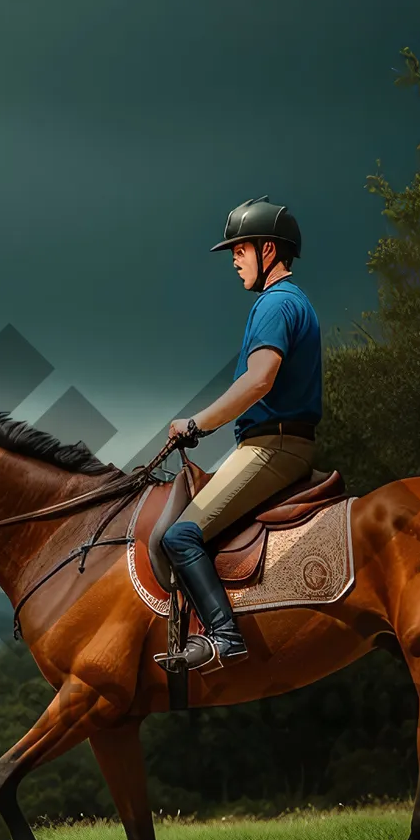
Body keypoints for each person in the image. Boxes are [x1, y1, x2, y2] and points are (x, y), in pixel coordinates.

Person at [157, 196, 323, 673]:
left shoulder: (274, 305)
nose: (233, 260)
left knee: (181, 535)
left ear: (268, 250)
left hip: (271, 448)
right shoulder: (298, 303)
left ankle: (225, 636)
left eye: (240, 249)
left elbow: (258, 380)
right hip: (280, 442)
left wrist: (197, 423)